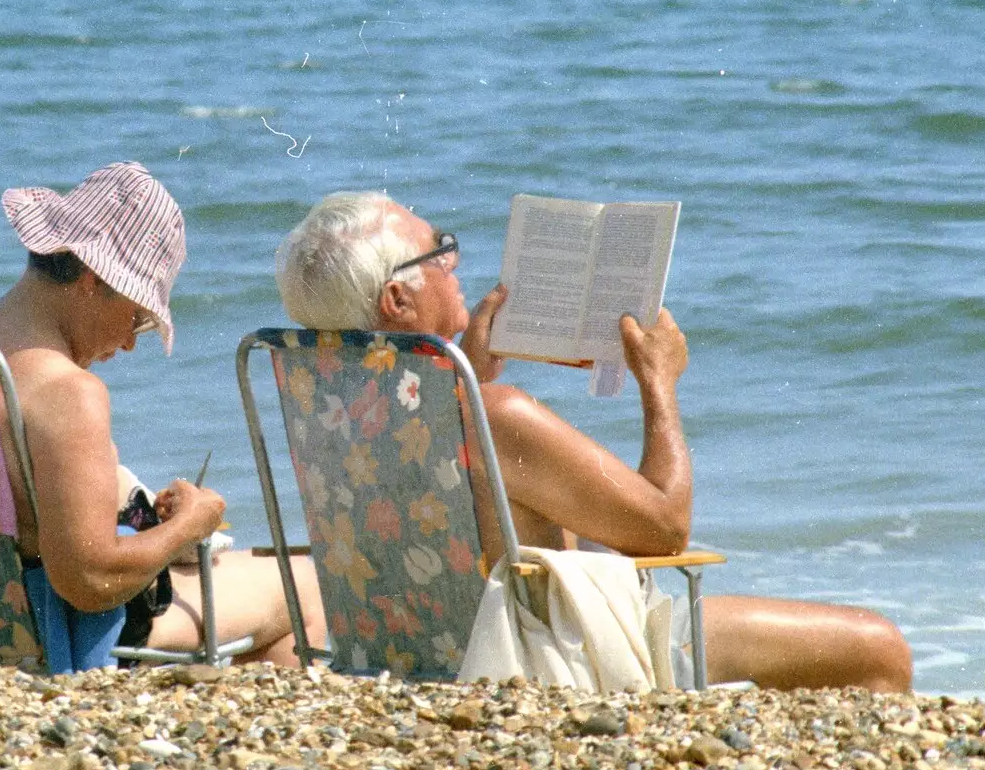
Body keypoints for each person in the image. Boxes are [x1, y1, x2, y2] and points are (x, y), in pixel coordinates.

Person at [274, 191, 912, 692]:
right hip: (553, 652)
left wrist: (469, 370)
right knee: (878, 647)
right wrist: (658, 382)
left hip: (416, 652)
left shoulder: (336, 405)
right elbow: (664, 529)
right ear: (397, 299)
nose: (454, 261)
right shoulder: (490, 416)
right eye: (437, 253)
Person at [0, 161, 325, 669]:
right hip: (46, 633)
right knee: (304, 587)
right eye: (139, 316)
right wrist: (189, 526)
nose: (127, 341)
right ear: (93, 280)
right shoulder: (66, 390)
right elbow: (88, 581)